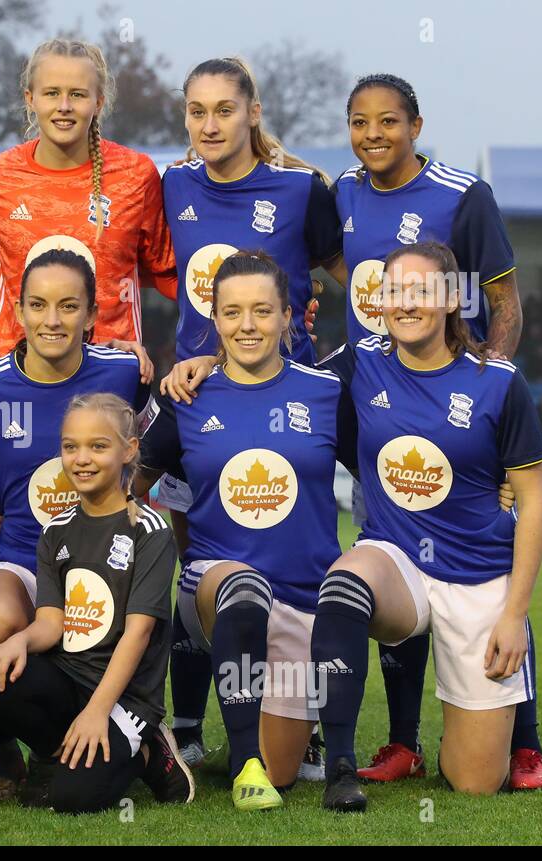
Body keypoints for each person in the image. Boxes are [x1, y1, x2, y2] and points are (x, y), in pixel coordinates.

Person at [335, 74, 542, 789]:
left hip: (465, 426)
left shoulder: (464, 194)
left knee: (485, 551)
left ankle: (525, 738)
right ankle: (399, 741)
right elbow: (330, 274)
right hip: (386, 413)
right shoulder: (341, 192)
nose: (373, 135)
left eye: (388, 121)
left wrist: (490, 388)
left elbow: (504, 300)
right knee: (385, 564)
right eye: (360, 122)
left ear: (416, 125)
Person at [306, 242, 542, 809]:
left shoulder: (499, 381)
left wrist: (514, 615)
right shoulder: (359, 361)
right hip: (397, 563)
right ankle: (340, 766)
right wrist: (204, 364)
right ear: (380, 302)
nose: (406, 303)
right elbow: (278, 379)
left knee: (475, 781)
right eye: (394, 291)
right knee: (343, 584)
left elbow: (533, 504)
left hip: (478, 575)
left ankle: (471, 738)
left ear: (451, 300)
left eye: (421, 291)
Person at [158, 56, 346, 770]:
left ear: (252, 112)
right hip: (194, 398)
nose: (210, 124)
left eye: (224, 110)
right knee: (191, 565)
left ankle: (311, 719)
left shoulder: (302, 188)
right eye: (197, 111)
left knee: (291, 552)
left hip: (282, 398)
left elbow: (349, 276)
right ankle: (185, 728)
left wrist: (346, 352)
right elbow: (138, 265)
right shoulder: (173, 183)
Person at [0, 249, 151, 800]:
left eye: (68, 306)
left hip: (100, 562)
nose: (53, 319)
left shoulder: (127, 373)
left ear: (93, 314)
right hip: (21, 555)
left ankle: (112, 741)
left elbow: (159, 450)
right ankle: (5, 750)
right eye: (38, 305)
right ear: (19, 312)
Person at [137, 250, 355, 809]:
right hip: (218, 587)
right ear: (215, 321)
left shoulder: (327, 393)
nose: (247, 325)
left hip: (305, 600)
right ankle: (242, 766)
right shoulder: (186, 396)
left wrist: (495, 487)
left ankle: (271, 754)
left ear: (289, 317)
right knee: (242, 586)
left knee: (284, 769)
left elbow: (380, 471)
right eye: (232, 313)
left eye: (262, 311)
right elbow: (131, 484)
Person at [0, 392, 191, 813]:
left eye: (98, 446)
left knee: (73, 799)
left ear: (129, 450)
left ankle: (149, 753)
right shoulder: (56, 529)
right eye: (71, 447)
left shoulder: (150, 530)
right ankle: (58, 752)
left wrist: (98, 711)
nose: (82, 458)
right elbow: (51, 624)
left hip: (124, 697)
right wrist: (14, 643)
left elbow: (138, 633)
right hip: (67, 680)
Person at [0, 37, 176, 361]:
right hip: (14, 376)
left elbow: (168, 272)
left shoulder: (136, 174)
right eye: (52, 93)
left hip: (109, 375)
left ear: (98, 102)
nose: (64, 106)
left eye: (77, 94)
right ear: (30, 98)